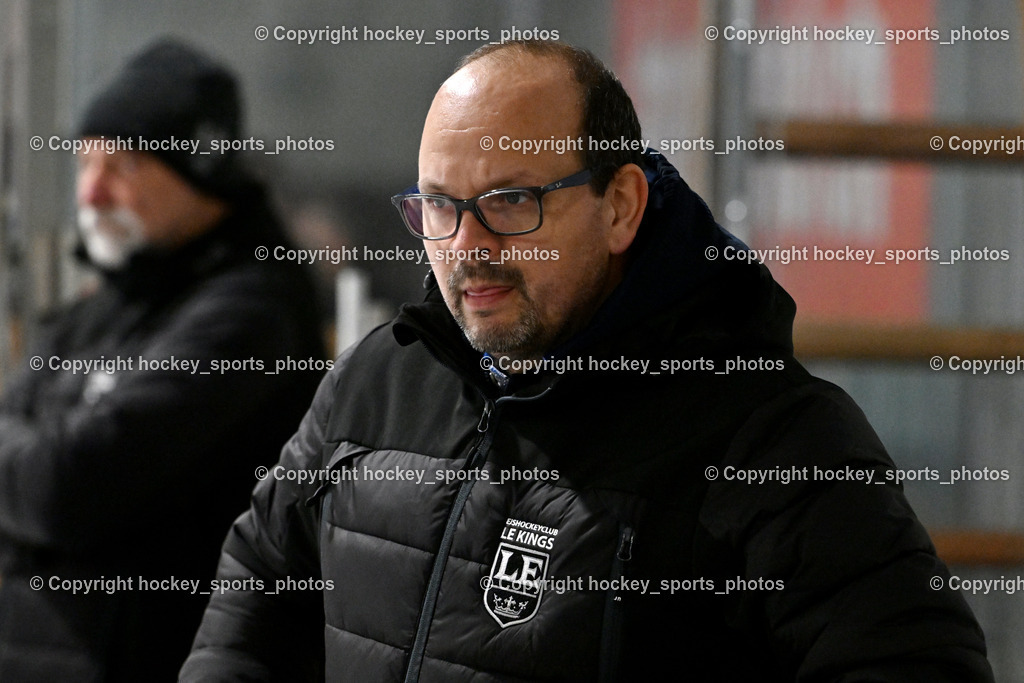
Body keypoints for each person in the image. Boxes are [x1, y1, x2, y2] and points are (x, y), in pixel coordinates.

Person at [181, 40, 993, 682]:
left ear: (621, 207)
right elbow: (258, 578)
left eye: (510, 201)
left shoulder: (768, 438)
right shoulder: (377, 380)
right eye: (438, 205)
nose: (466, 248)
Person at [0, 39, 326, 681]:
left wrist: (38, 458)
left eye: (121, 166)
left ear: (197, 170)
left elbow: (66, 487)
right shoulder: (112, 298)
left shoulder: (251, 314)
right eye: (84, 163)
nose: (91, 193)